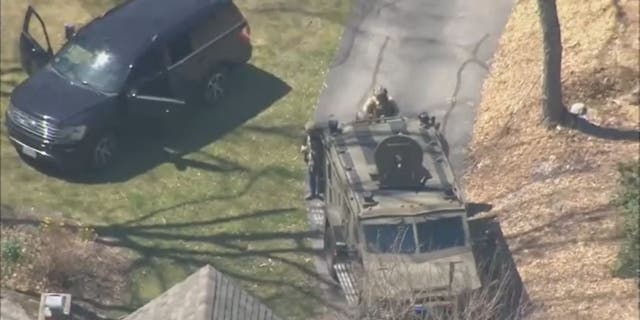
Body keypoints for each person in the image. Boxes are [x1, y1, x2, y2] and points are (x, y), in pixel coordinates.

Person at [300, 121, 324, 200]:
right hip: (311, 160)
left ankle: (318, 193)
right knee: (312, 177)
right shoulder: (308, 138)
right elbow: (306, 146)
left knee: (318, 177)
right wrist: (304, 149)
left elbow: (317, 150)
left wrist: (306, 149)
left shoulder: (317, 139)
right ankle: (313, 193)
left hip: (317, 160)